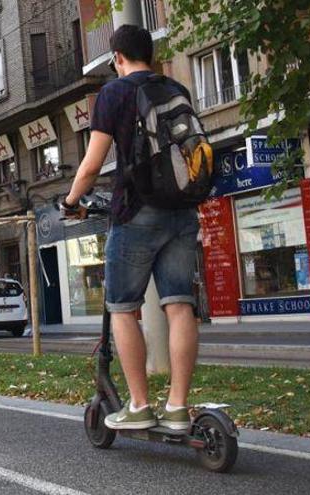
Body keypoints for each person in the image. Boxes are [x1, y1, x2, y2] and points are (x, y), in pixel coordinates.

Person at [61, 25, 198, 431]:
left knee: (122, 308)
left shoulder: (114, 93)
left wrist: (70, 203)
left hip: (136, 210)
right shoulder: (175, 88)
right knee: (179, 305)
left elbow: (90, 165)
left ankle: (139, 404)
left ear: (117, 57)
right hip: (182, 208)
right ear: (151, 54)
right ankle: (177, 407)